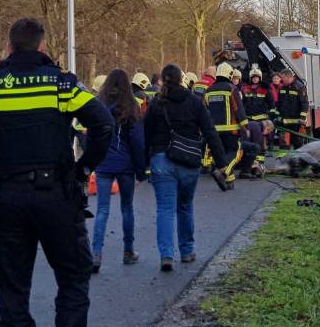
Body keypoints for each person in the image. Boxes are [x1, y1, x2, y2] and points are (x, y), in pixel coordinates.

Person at [0, 18, 115, 326]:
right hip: (57, 195)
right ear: (42, 46)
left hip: (7, 199)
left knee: (12, 289)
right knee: (72, 279)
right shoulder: (62, 83)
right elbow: (103, 123)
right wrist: (83, 169)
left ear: (8, 47)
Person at [144, 64, 228, 272]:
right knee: (185, 206)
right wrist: (222, 163)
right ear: (182, 80)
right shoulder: (194, 102)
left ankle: (166, 255)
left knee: (165, 209)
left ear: (162, 80)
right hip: (189, 161)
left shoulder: (157, 103)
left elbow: (146, 134)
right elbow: (210, 132)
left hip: (162, 160)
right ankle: (187, 250)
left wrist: (144, 162)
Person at [91, 69, 147, 273]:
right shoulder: (131, 107)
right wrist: (141, 171)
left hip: (104, 164)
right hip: (125, 165)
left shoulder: (99, 105)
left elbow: (92, 136)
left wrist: (91, 161)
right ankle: (128, 251)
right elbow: (137, 142)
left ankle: (96, 254)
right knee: (127, 208)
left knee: (102, 210)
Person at [205, 62, 259, 189]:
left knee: (222, 154)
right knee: (234, 153)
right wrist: (245, 127)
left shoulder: (209, 91)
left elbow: (205, 109)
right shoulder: (232, 89)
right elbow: (238, 109)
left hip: (214, 131)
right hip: (231, 130)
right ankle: (222, 173)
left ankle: (229, 181)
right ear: (229, 74)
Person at [241, 68, 273, 163]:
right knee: (249, 139)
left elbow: (271, 103)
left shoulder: (265, 89)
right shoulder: (245, 89)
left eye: (257, 78)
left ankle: (260, 161)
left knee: (261, 140)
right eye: (253, 78)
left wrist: (269, 114)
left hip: (261, 119)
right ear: (251, 78)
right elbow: (241, 103)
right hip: (249, 119)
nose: (255, 79)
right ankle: (248, 159)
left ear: (260, 78)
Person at [274, 69, 309, 149]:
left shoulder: (299, 87)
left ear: (288, 77)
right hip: (284, 121)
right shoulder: (282, 87)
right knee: (283, 143)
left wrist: (302, 118)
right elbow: (279, 103)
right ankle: (285, 159)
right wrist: (277, 116)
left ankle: (298, 159)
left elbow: (304, 103)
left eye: (283, 78)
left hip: (296, 122)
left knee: (297, 142)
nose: (281, 80)